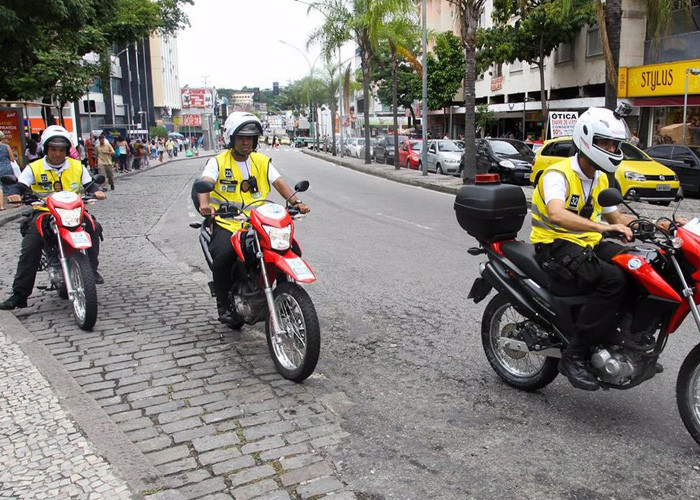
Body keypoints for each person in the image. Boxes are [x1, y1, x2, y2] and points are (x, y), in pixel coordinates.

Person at [531, 107, 681, 391]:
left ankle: (623, 338)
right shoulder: (557, 174)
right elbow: (557, 215)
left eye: (615, 144)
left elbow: (617, 218)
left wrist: (657, 224)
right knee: (613, 280)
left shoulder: (600, 178)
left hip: (587, 243)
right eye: (606, 143)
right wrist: (602, 229)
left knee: (640, 268)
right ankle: (574, 355)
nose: (612, 149)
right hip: (554, 245)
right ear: (587, 140)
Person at [197, 112, 311, 326]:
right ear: (231, 139)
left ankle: (282, 291)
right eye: (241, 137)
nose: (246, 142)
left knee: (290, 249)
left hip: (260, 221)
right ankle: (224, 304)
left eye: (250, 138)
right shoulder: (218, 161)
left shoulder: (261, 161)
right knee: (223, 258)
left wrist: (296, 202)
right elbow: (206, 181)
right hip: (228, 222)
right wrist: (204, 204)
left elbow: (278, 182)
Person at [0, 126, 106, 310]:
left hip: (73, 209)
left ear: (67, 151)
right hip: (44, 211)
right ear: (45, 149)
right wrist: (15, 194)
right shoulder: (34, 167)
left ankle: (92, 270)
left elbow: (90, 185)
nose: (57, 153)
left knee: (93, 228)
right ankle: (20, 294)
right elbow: (20, 186)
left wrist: (97, 192)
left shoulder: (77, 166)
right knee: (31, 246)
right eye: (53, 149)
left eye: (61, 149)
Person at [0, 131, 17, 211]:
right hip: (7, 168)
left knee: (0, 188)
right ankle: (16, 202)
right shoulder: (6, 146)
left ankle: (1, 206)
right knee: (11, 185)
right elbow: (12, 159)